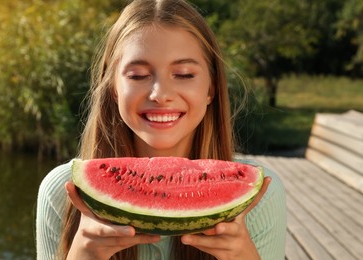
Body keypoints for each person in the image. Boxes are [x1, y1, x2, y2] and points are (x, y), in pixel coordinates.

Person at [36, 0, 286, 259]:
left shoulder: (260, 197)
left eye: (185, 74)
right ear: (113, 88)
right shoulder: (61, 193)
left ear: (211, 88)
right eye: (138, 75)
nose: (161, 94)